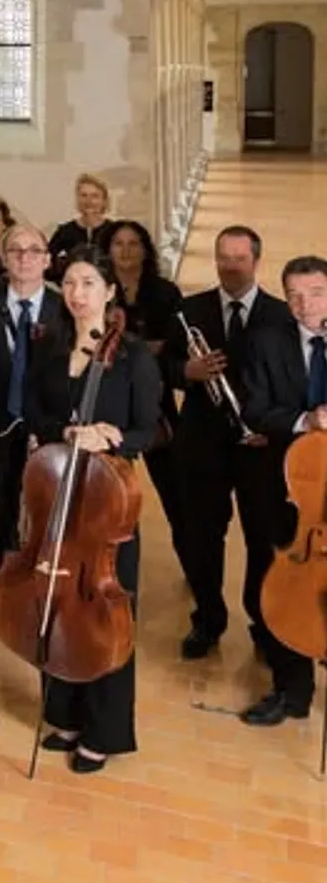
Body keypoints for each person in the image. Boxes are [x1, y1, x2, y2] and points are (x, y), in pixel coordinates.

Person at [24, 247, 160, 773]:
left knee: (105, 618)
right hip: (59, 497)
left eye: (88, 283)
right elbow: (34, 409)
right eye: (72, 284)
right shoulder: (53, 347)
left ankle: (104, 730)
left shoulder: (134, 358)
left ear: (109, 291)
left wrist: (113, 435)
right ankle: (66, 715)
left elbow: (154, 429)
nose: (78, 294)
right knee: (58, 607)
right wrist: (64, 431)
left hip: (107, 510)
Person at [169, 226, 291, 661]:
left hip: (259, 447)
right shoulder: (191, 308)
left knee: (262, 538)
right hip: (202, 443)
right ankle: (208, 618)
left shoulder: (281, 315)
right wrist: (187, 371)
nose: (230, 266)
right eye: (223, 257)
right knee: (203, 536)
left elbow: (291, 382)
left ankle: (262, 619)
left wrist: (272, 428)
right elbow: (163, 364)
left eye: (239, 258)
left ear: (256, 260)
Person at [238, 254, 327, 727]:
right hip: (288, 486)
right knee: (283, 587)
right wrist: (304, 421)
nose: (304, 304)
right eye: (294, 294)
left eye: (315, 293)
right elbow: (255, 409)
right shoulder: (267, 341)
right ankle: (290, 689)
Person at [0, 222, 64, 571]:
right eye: (15, 251)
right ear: (3, 260)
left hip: (49, 431)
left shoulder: (63, 307)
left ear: (47, 260)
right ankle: (1, 598)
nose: (25, 258)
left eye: (34, 250)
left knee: (48, 521)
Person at [106, 219, 186, 567]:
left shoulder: (165, 292)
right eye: (118, 244)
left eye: (133, 243)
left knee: (178, 494)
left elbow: (178, 346)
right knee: (108, 494)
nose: (125, 251)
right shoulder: (99, 288)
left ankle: (192, 567)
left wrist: (151, 352)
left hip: (156, 399)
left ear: (145, 249)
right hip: (109, 403)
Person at [48, 172, 114, 276]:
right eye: (84, 195)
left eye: (95, 196)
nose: (89, 201)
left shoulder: (115, 231)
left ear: (104, 201)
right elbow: (47, 261)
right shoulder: (65, 231)